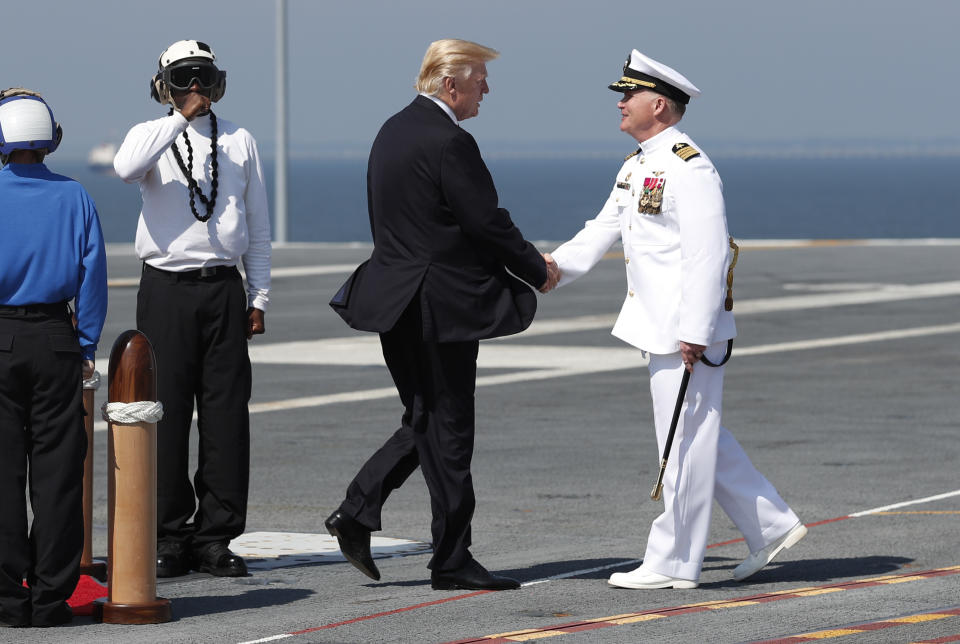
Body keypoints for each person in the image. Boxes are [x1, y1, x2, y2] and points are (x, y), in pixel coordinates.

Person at [546, 50, 805, 589]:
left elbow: (707, 254)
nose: (620, 104)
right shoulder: (639, 163)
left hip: (686, 330)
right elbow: (601, 229)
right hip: (658, 324)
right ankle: (773, 524)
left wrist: (696, 329)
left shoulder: (690, 166)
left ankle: (674, 563)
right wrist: (548, 270)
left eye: (629, 95)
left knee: (683, 440)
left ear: (658, 104)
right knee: (695, 432)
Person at [326, 39, 558, 592]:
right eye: (480, 79)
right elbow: (486, 222)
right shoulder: (452, 141)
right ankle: (451, 558)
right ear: (450, 85)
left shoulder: (391, 130)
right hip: (438, 307)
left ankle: (358, 512)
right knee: (449, 428)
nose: (487, 88)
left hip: (394, 300)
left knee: (425, 418)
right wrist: (536, 267)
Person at [114, 39, 271, 578]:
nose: (196, 88)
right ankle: (169, 534)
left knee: (227, 417)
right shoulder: (149, 136)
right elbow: (127, 168)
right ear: (164, 85)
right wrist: (179, 116)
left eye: (203, 77)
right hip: (165, 288)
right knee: (169, 412)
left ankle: (216, 537)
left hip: (222, 289)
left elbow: (257, 224)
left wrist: (260, 294)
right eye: (184, 78)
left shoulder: (240, 140)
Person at [0, 88, 108, 626]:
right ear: (50, 140)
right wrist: (85, 345)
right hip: (55, 340)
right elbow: (93, 281)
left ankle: (6, 600)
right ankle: (49, 597)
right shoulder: (75, 196)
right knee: (59, 474)